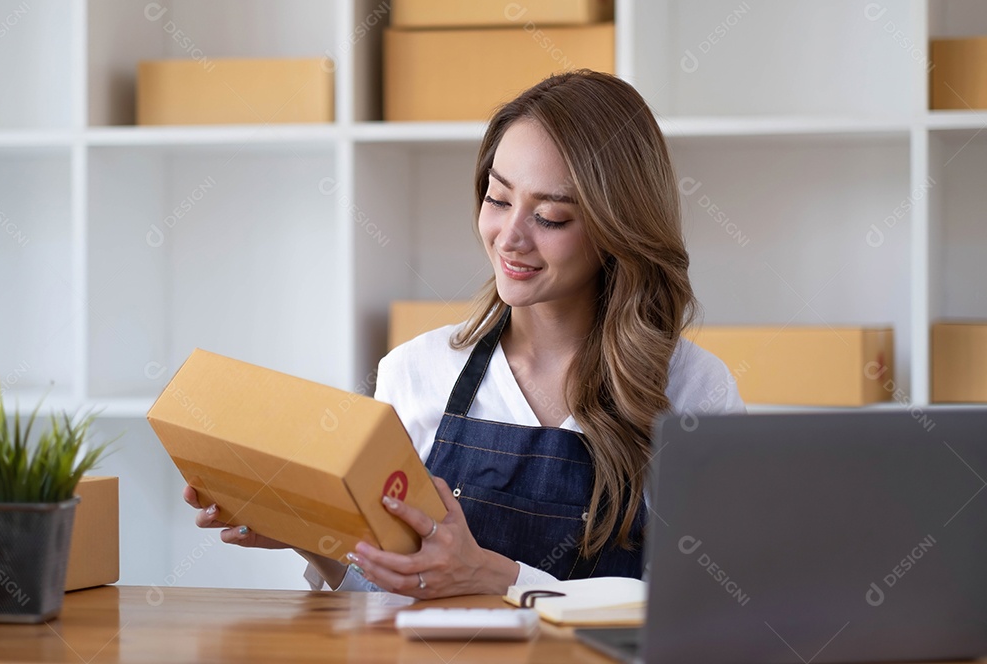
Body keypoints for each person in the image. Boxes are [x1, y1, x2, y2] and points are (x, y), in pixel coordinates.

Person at [184, 70, 745, 598]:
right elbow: (385, 603)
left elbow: (707, 612)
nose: (509, 237)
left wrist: (496, 576)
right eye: (498, 199)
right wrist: (312, 535)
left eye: (550, 216)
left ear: (618, 227)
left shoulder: (693, 390)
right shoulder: (416, 371)